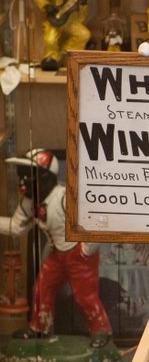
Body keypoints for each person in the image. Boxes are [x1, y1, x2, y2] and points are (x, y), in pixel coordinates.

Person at [0, 149, 113, 348]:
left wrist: (86, 250)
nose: (24, 180)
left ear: (45, 176)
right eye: (22, 174)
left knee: (85, 296)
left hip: (78, 254)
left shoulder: (63, 197)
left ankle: (101, 330)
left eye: (29, 174)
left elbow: (96, 221)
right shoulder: (29, 202)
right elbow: (17, 227)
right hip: (57, 254)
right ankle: (40, 327)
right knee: (42, 288)